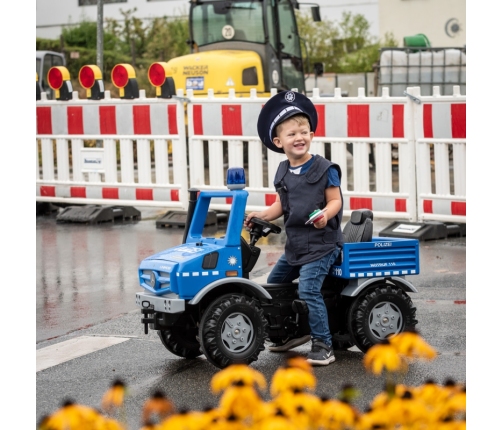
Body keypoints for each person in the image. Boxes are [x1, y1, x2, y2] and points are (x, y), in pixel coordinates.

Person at [244, 90, 344, 366]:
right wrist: (261, 214)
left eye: (304, 131)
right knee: (275, 285)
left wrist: (325, 214)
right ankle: (290, 334)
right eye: (291, 134)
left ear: (312, 133)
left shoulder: (325, 169)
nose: (299, 137)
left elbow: (335, 200)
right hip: (296, 245)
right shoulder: (282, 171)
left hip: (322, 243)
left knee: (309, 289)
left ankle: (323, 344)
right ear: (278, 141)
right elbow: (281, 205)